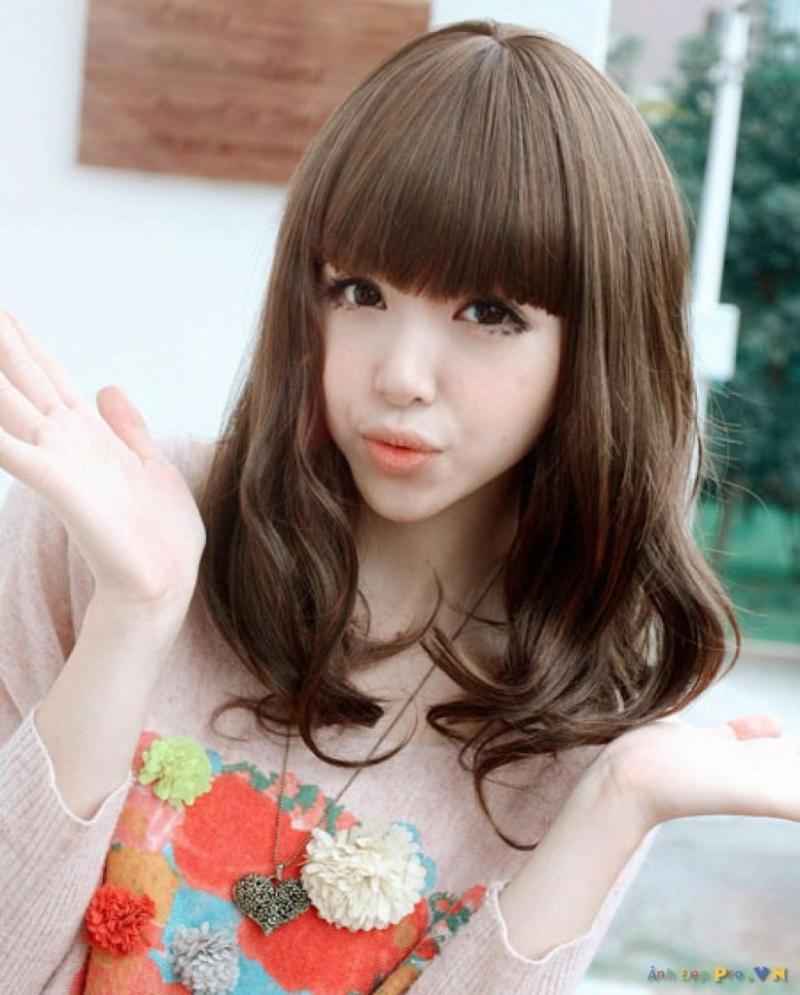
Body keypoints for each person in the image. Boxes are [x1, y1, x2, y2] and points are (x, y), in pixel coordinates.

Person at [0, 16, 797, 995]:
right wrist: (134, 620)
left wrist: (617, 803)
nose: (402, 376)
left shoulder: (586, 703)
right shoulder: (113, 536)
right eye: (360, 291)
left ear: (593, 351)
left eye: (489, 313)